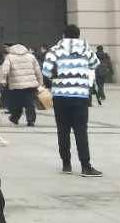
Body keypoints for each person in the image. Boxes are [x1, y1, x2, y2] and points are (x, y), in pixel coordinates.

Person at [42, 25, 102, 177]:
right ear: (78, 35)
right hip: (80, 95)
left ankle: (66, 165)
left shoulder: (55, 50)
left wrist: (57, 75)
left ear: (64, 35)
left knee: (63, 130)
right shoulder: (86, 50)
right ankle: (86, 167)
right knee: (81, 130)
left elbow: (46, 71)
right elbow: (95, 64)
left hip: (60, 95)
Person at [0, 44, 42, 128]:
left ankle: (14, 118)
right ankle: (31, 120)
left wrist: (3, 80)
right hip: (30, 84)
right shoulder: (31, 56)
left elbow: (4, 70)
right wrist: (40, 82)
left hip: (16, 84)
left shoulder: (10, 57)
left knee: (16, 102)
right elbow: (37, 70)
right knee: (30, 102)